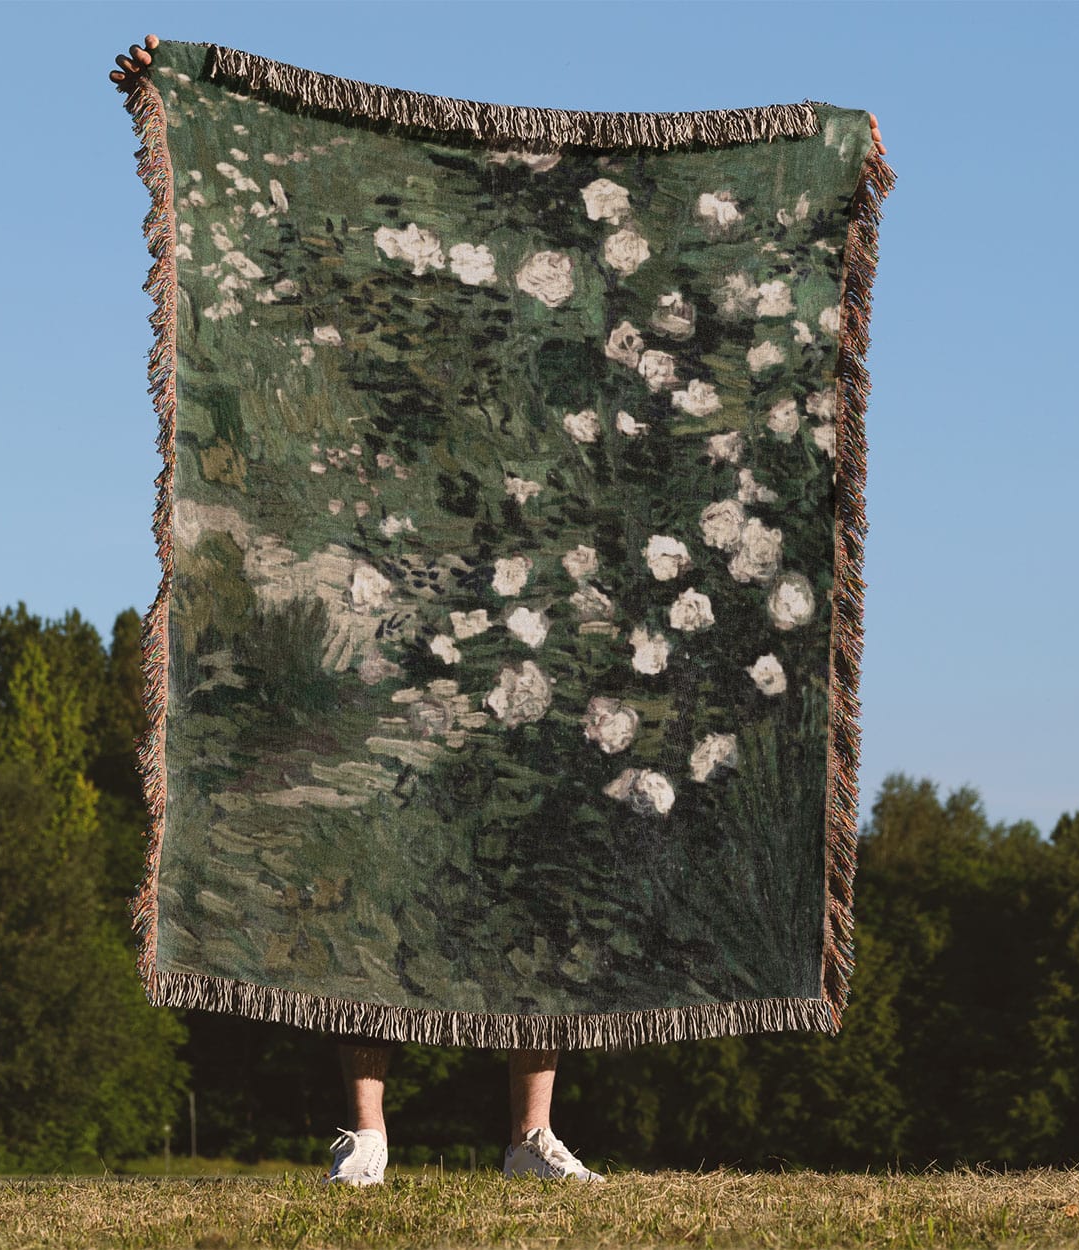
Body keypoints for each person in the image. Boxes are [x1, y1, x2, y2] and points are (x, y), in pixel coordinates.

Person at [109, 34, 886, 1187]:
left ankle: (529, 1133)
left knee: (540, 867)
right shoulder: (405, 344)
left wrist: (831, 152)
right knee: (368, 860)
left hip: (543, 597)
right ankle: (366, 1130)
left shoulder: (583, 346)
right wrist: (172, 75)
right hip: (412, 588)